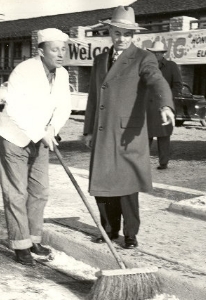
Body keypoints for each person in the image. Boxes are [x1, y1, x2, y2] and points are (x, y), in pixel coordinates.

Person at [83, 6, 175, 249]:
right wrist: (88, 130)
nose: (121, 38)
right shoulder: (100, 59)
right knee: (103, 184)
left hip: (128, 133)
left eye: (126, 33)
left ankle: (130, 233)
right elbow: (93, 96)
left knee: (126, 186)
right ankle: (109, 231)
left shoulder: (145, 58)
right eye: (116, 32)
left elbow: (157, 80)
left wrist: (166, 105)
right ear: (110, 32)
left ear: (133, 35)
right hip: (103, 131)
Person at [0, 28, 71, 266]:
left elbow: (64, 106)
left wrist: (52, 129)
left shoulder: (62, 74)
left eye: (63, 49)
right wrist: (41, 133)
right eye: (54, 49)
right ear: (41, 51)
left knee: (40, 191)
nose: (60, 54)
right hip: (14, 138)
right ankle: (20, 244)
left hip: (41, 138)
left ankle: (34, 238)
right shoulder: (24, 71)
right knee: (16, 193)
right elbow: (14, 109)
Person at [146, 41, 182, 170]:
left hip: (165, 107)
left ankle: (163, 163)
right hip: (148, 108)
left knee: (164, 136)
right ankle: (142, 163)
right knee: (146, 136)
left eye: (159, 52)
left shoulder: (171, 66)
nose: (156, 55)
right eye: (153, 52)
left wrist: (166, 100)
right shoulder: (147, 66)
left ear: (163, 53)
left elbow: (178, 85)